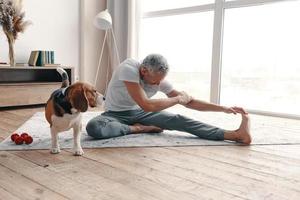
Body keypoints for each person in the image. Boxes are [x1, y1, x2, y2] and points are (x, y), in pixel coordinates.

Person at [86, 54, 251, 145]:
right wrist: (178, 100)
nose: (158, 84)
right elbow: (147, 104)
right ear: (144, 70)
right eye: (155, 81)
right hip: (114, 114)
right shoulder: (128, 68)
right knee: (94, 127)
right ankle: (139, 129)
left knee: (179, 120)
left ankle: (235, 135)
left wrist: (223, 108)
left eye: (161, 80)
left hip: (140, 113)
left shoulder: (158, 79)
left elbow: (190, 101)